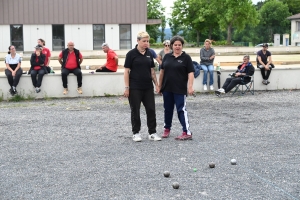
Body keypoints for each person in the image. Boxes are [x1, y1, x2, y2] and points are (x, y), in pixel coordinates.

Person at [123, 31, 161, 142]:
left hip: (148, 87)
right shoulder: (131, 54)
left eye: (147, 41)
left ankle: (152, 132)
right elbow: (126, 71)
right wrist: (127, 88)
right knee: (135, 110)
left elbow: (152, 70)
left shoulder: (149, 53)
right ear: (138, 41)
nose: (146, 43)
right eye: (144, 41)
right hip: (135, 87)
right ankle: (136, 133)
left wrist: (157, 85)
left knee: (151, 109)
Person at [158, 36, 195, 140]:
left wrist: (190, 86)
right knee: (167, 109)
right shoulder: (167, 56)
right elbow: (162, 72)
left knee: (181, 110)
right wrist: (159, 86)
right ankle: (167, 129)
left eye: (179, 45)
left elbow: (191, 73)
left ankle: (186, 132)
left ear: (182, 46)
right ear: (171, 46)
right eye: (175, 45)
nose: (177, 47)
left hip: (179, 89)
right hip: (167, 88)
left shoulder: (186, 58)